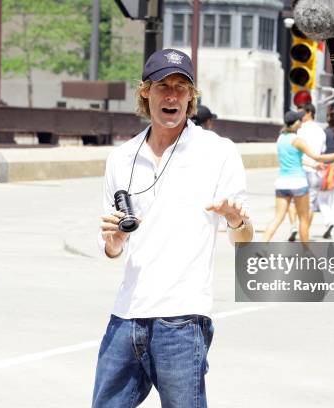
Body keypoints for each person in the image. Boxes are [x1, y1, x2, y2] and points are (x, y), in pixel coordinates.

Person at [93, 49, 253, 407]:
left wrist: (236, 219)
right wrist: (113, 240)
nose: (172, 95)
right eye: (163, 85)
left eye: (181, 87)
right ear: (145, 91)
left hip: (181, 319)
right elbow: (111, 248)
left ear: (191, 97)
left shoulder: (218, 152)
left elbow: (243, 240)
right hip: (127, 315)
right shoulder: (121, 157)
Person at [262, 110, 334, 243]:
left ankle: (260, 248)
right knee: (304, 219)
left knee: (277, 218)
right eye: (299, 121)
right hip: (298, 183)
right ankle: (306, 251)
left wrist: (312, 165)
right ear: (294, 123)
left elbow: (295, 160)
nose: (301, 123)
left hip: (282, 183)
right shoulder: (297, 140)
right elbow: (317, 156)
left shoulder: (280, 139)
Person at [297, 103, 327, 230]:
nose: (299, 116)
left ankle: (295, 229)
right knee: (310, 207)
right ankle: (306, 233)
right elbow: (322, 151)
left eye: (301, 113)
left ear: (309, 112)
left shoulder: (299, 130)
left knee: (296, 204)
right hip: (315, 171)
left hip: (300, 171)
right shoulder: (321, 131)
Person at [317, 107, 334, 239]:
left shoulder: (325, 132)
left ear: (329, 118)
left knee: (321, 198)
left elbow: (320, 151)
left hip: (328, 169)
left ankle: (328, 221)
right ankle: (333, 229)